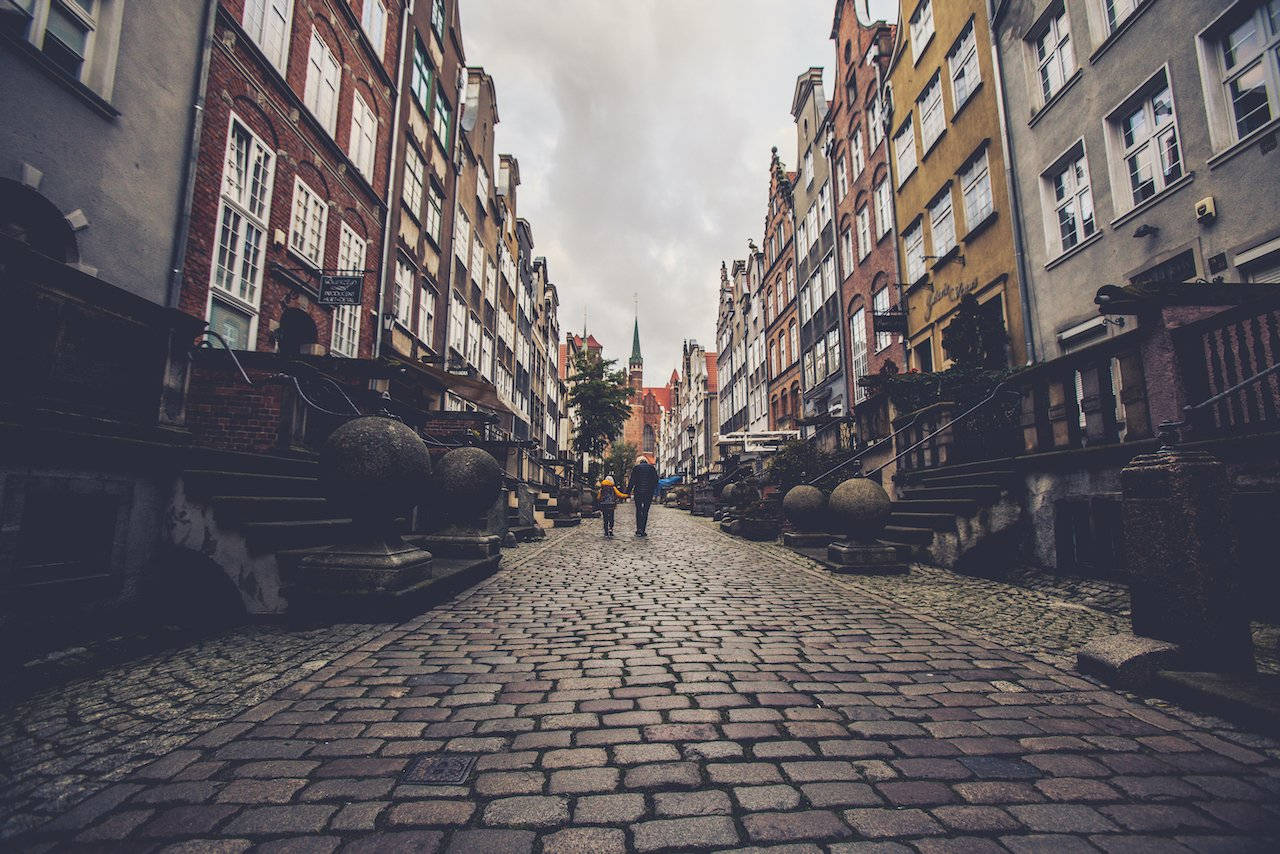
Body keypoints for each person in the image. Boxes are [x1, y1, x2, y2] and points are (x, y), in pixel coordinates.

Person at [626, 455, 660, 537]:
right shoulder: (652, 468)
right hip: (648, 493)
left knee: (638, 510)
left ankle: (639, 529)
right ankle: (643, 530)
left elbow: (632, 481)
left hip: (638, 492)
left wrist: (628, 492)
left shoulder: (636, 468)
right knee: (645, 511)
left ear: (639, 462)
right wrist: (652, 488)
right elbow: (656, 480)